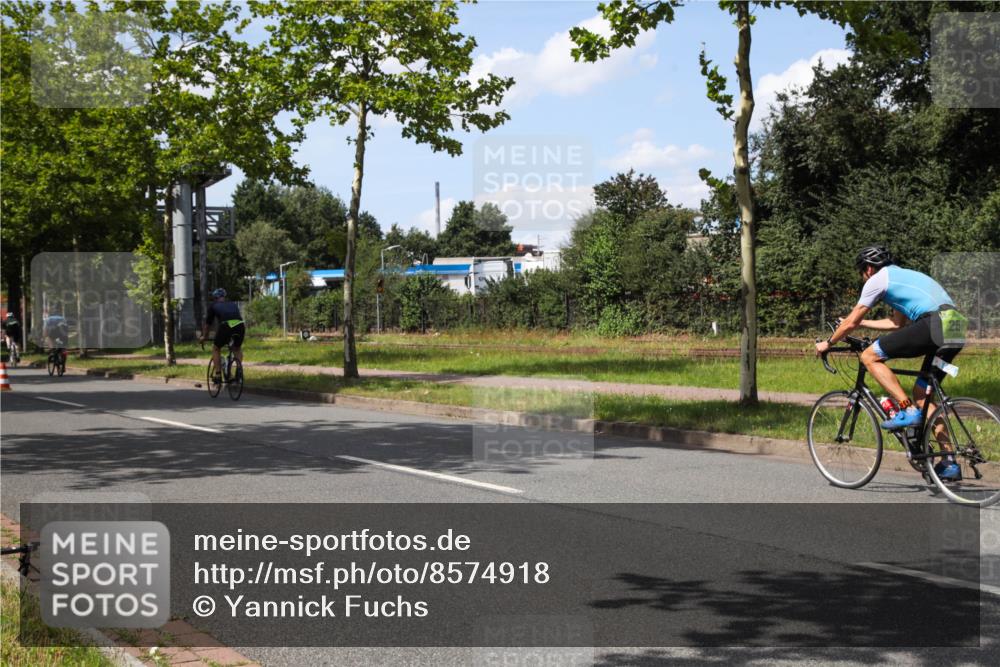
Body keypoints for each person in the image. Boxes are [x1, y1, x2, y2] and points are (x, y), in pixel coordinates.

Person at [815, 245, 966, 480]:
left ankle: (905, 409)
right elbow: (896, 324)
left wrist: (828, 343)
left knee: (869, 356)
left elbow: (852, 321)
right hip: (955, 326)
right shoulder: (905, 276)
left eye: (861, 272)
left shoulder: (876, 280)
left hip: (933, 323)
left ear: (868, 269)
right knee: (922, 394)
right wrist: (863, 324)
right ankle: (949, 461)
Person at [200, 288, 245, 385]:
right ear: (224, 297)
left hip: (226, 326)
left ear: (214, 298)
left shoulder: (213, 306)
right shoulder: (233, 304)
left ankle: (218, 375)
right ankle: (238, 371)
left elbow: (208, 325)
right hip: (240, 325)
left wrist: (204, 337)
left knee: (216, 348)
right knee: (236, 349)